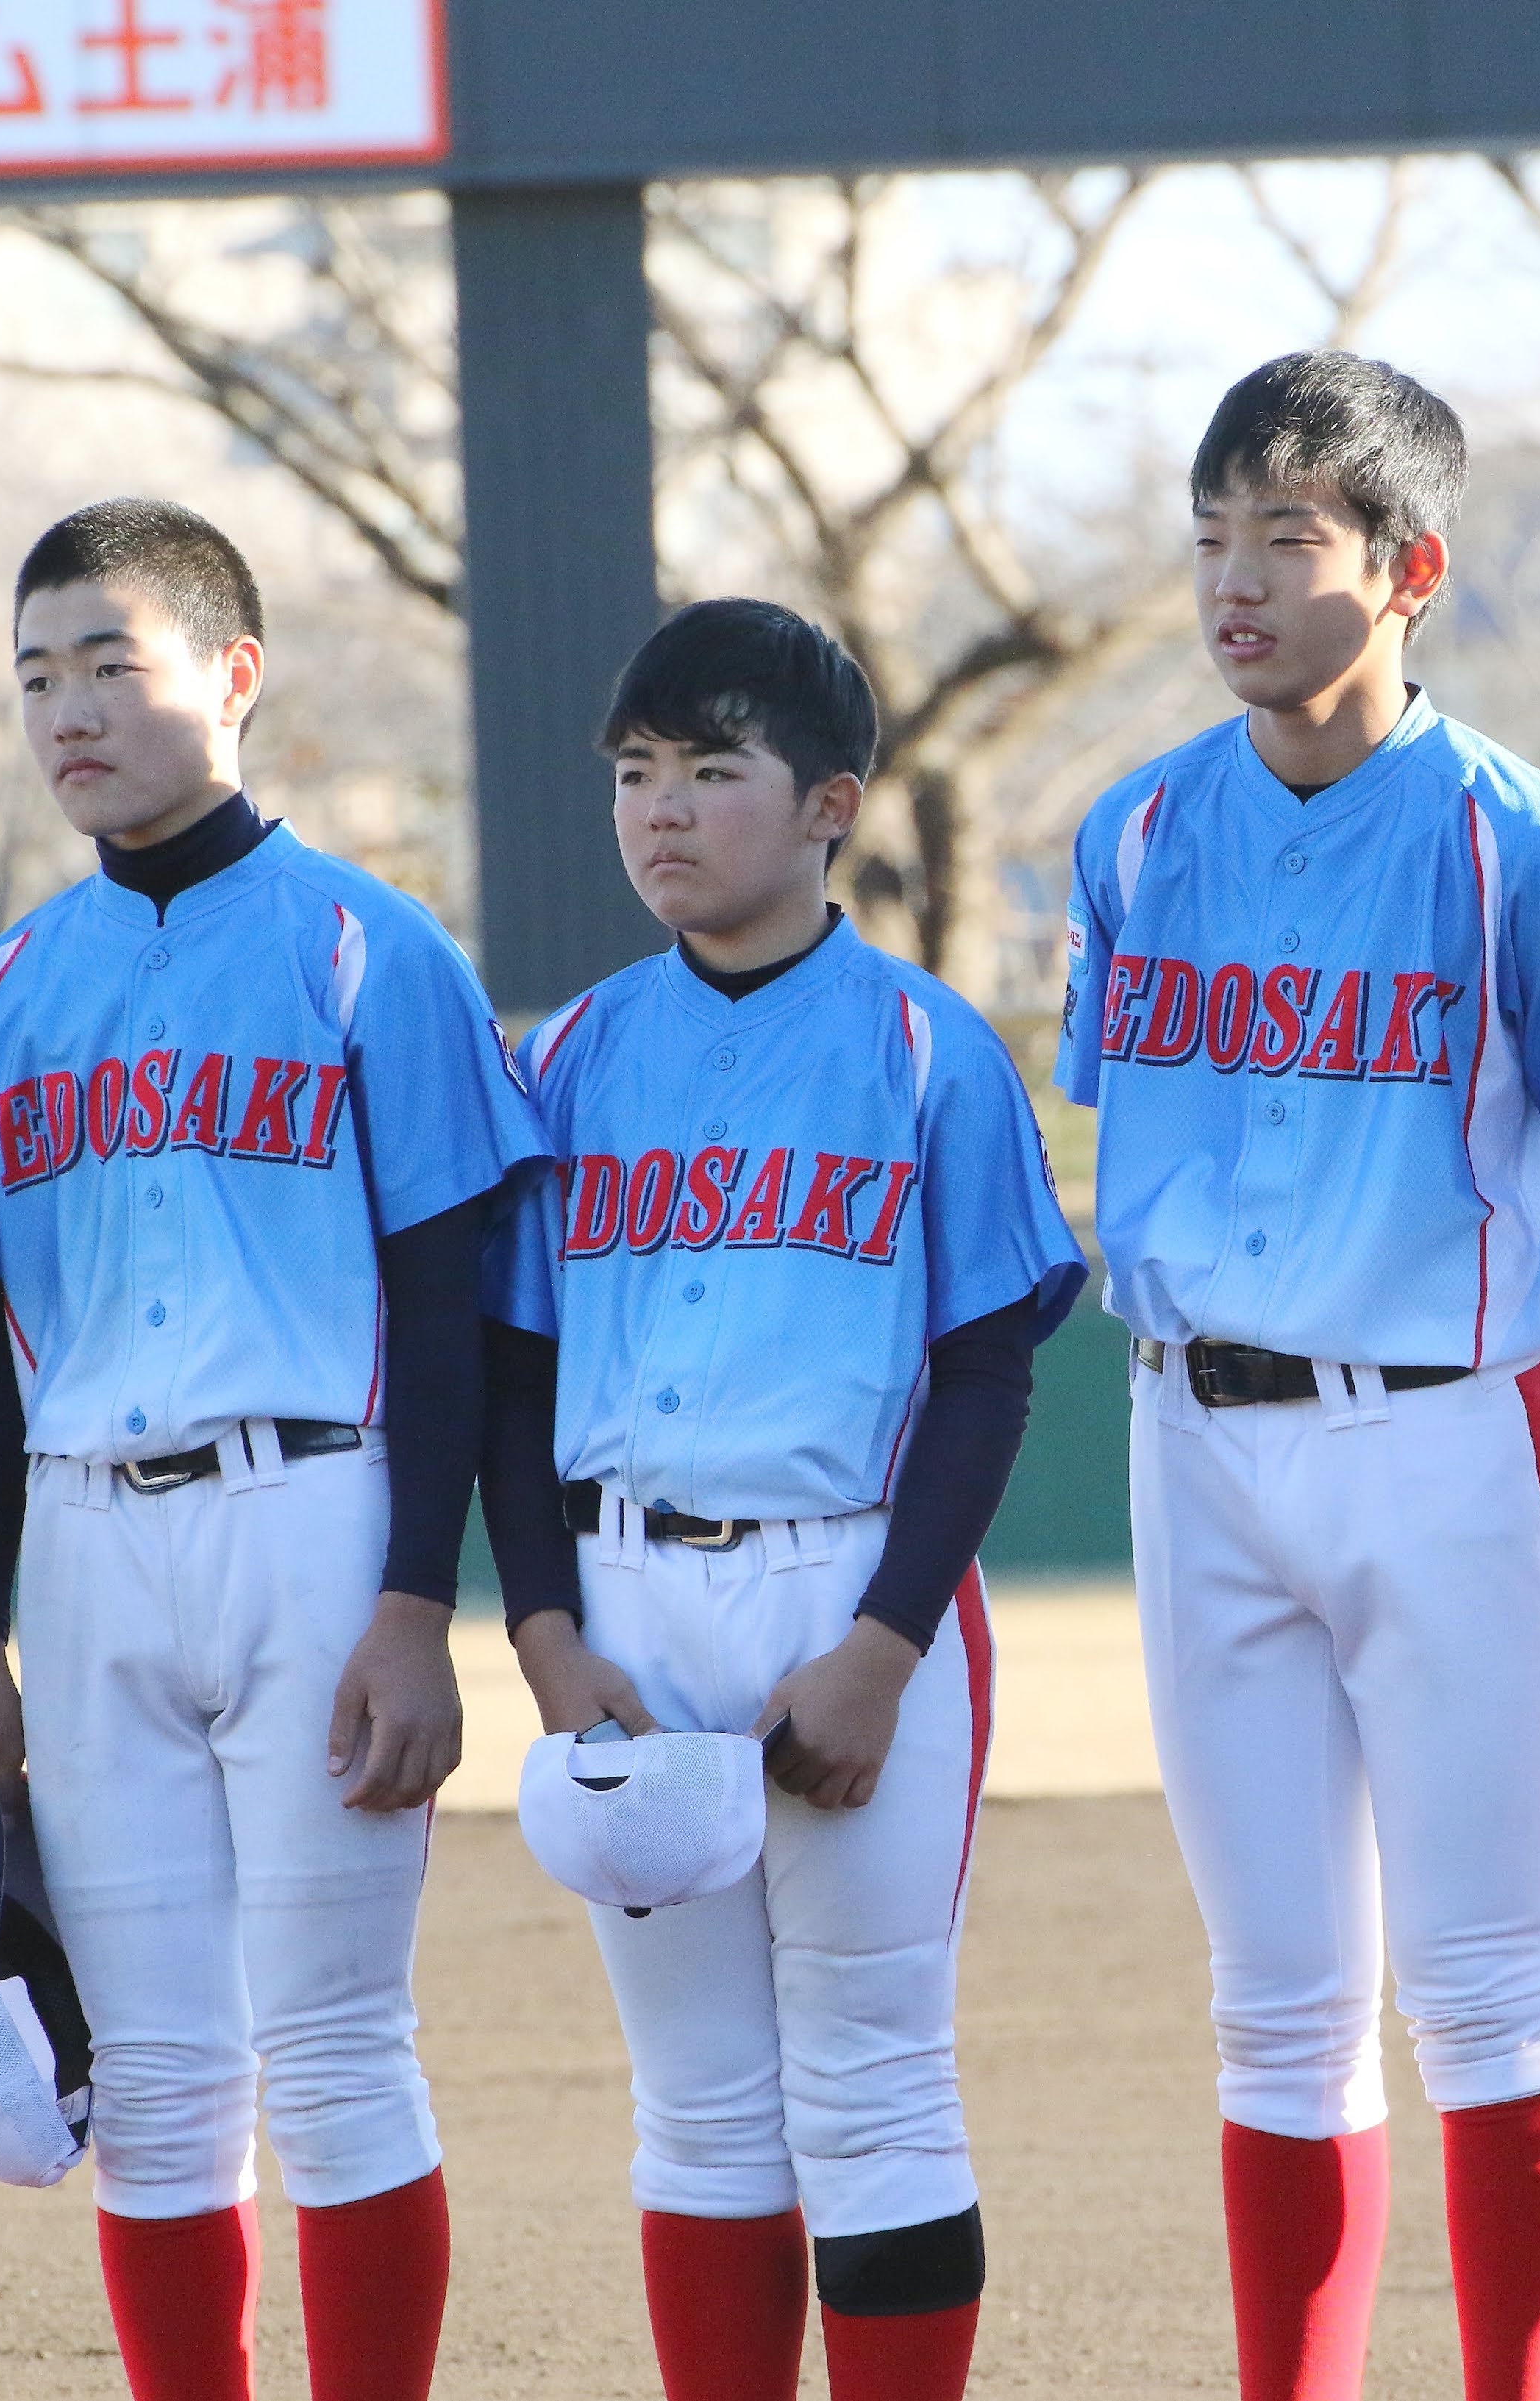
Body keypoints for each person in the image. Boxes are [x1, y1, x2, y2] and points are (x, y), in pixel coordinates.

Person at [1055, 349, 1540, 2401]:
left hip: (1440, 1425)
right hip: (1191, 1430)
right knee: (1274, 2007)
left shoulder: (1529, 841)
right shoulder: (1137, 829)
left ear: (1411, 570)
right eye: (1211, 537)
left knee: (1487, 1987)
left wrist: (1536, 1436)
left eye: (1287, 537)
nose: (1235, 580)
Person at [0, 500, 546, 2401]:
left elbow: (447, 1306)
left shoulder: (371, 948)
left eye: (112, 663)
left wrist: (417, 1601)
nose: (69, 709)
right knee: (159, 2082)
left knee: (338, 2054)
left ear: (234, 675)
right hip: (85, 1544)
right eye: (38, 675)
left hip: (313, 1513)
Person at [478, 597, 1086, 2401]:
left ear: (830, 804)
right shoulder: (569, 1056)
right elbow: (511, 1376)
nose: (661, 808)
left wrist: (883, 1651)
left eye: (711, 769)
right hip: (627, 1597)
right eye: (635, 771)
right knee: (696, 2105)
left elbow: (986, 1373)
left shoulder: (928, 1049)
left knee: (875, 2082)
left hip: (851, 1586)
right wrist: (545, 1632)